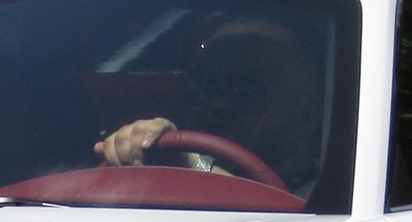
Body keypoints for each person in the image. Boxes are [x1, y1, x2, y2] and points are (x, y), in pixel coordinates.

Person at [95, 18, 325, 191]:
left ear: (306, 114)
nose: (219, 102)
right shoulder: (158, 188)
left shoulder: (332, 203)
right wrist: (135, 147)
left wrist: (190, 162)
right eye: (206, 86)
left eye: (245, 90)